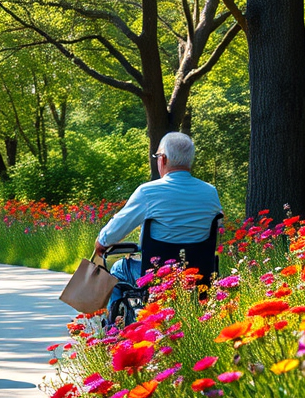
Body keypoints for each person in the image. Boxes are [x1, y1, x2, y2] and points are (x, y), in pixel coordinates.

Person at [94, 132, 223, 314]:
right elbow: (219, 228)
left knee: (119, 268)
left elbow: (115, 230)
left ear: (162, 159)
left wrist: (102, 241)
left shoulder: (148, 192)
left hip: (157, 275)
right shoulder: (210, 192)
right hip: (199, 274)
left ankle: (114, 331)